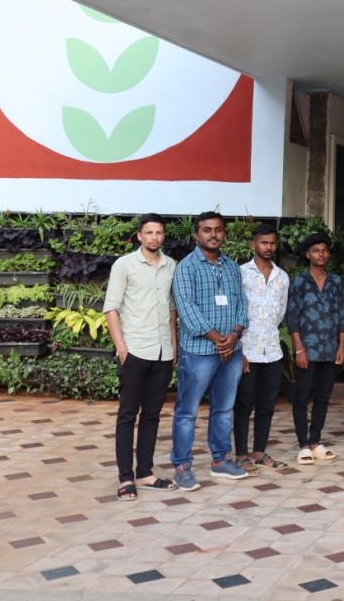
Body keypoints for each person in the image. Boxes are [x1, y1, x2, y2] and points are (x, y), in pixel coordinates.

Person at [170, 211, 250, 490]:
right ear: (196, 235)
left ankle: (220, 461)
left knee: (224, 409)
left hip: (231, 350)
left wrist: (235, 334)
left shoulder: (230, 266)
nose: (213, 234)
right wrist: (219, 339)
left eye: (218, 230)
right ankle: (181, 467)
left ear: (223, 233)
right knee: (188, 411)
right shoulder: (187, 267)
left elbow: (242, 302)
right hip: (199, 352)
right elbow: (187, 309)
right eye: (207, 230)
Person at [103, 213, 178, 500]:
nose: (154, 238)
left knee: (152, 415)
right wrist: (122, 349)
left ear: (163, 236)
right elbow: (111, 308)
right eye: (149, 233)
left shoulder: (171, 265)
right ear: (139, 236)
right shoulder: (124, 265)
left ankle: (145, 472)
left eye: (159, 233)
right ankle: (125, 478)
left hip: (163, 353)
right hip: (135, 350)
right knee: (127, 416)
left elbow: (171, 308)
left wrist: (173, 344)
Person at [287, 233, 344, 464]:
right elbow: (292, 316)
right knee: (302, 397)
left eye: (324, 250)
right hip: (307, 349)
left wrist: (342, 346)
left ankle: (315, 441)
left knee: (323, 397)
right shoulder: (299, 281)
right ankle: (303, 444)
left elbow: (342, 316)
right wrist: (298, 349)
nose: (320, 254)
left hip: (330, 349)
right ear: (307, 254)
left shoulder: (336, 281)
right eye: (315, 250)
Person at [234, 223, 289, 474]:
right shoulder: (240, 273)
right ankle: (241, 454)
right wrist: (239, 349)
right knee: (244, 403)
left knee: (267, 404)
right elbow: (234, 312)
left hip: (272, 350)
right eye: (264, 243)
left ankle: (259, 451)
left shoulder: (282, 277)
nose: (269, 247)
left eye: (272, 243)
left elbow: (280, 313)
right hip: (246, 350)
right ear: (253, 245)